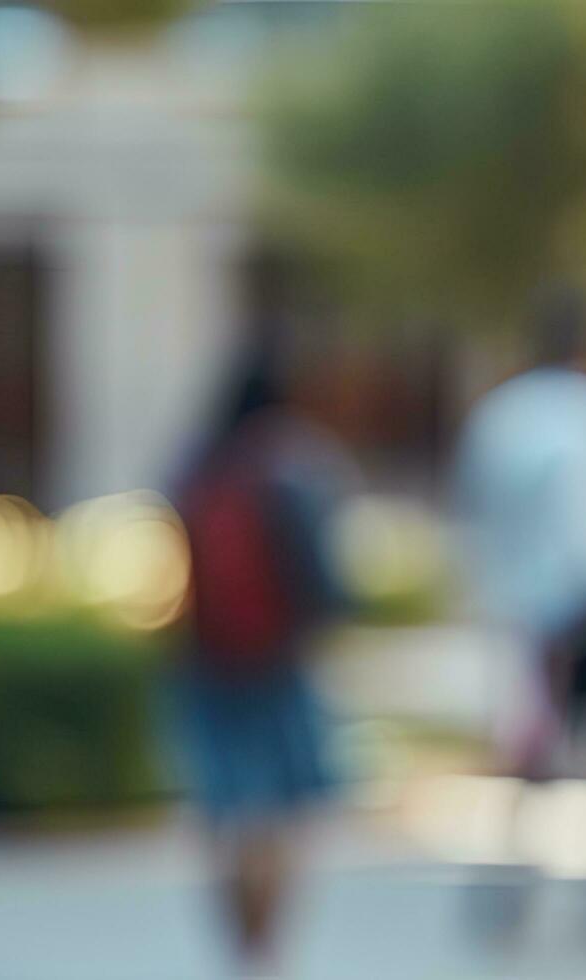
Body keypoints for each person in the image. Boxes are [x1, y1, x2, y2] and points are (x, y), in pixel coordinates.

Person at [168, 348, 357, 979]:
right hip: (277, 661)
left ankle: (242, 952)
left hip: (206, 661)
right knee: (281, 814)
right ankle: (265, 954)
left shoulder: (197, 463)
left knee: (228, 811)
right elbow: (325, 577)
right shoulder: (294, 463)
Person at [449, 284, 586, 787]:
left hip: (514, 587)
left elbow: (473, 504)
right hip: (583, 589)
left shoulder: (500, 413)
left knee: (527, 715)